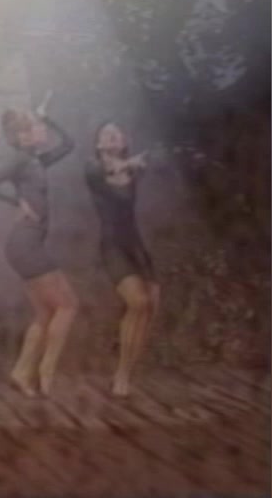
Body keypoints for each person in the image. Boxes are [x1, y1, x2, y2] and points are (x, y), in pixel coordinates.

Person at [0, 92, 78, 397]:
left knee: (46, 314)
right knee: (68, 306)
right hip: (25, 244)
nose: (43, 129)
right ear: (23, 136)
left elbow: (69, 144)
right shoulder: (21, 159)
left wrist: (46, 116)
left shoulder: (37, 160)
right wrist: (17, 201)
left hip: (27, 244)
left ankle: (21, 372)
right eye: (37, 126)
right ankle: (45, 373)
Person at [85, 121, 161, 397]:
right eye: (106, 134)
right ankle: (122, 376)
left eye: (117, 133)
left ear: (124, 141)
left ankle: (126, 370)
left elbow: (153, 159)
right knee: (138, 302)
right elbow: (106, 171)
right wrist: (131, 162)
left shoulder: (133, 170)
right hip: (113, 246)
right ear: (98, 144)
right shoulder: (92, 167)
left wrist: (146, 159)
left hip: (136, 246)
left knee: (150, 307)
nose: (113, 136)